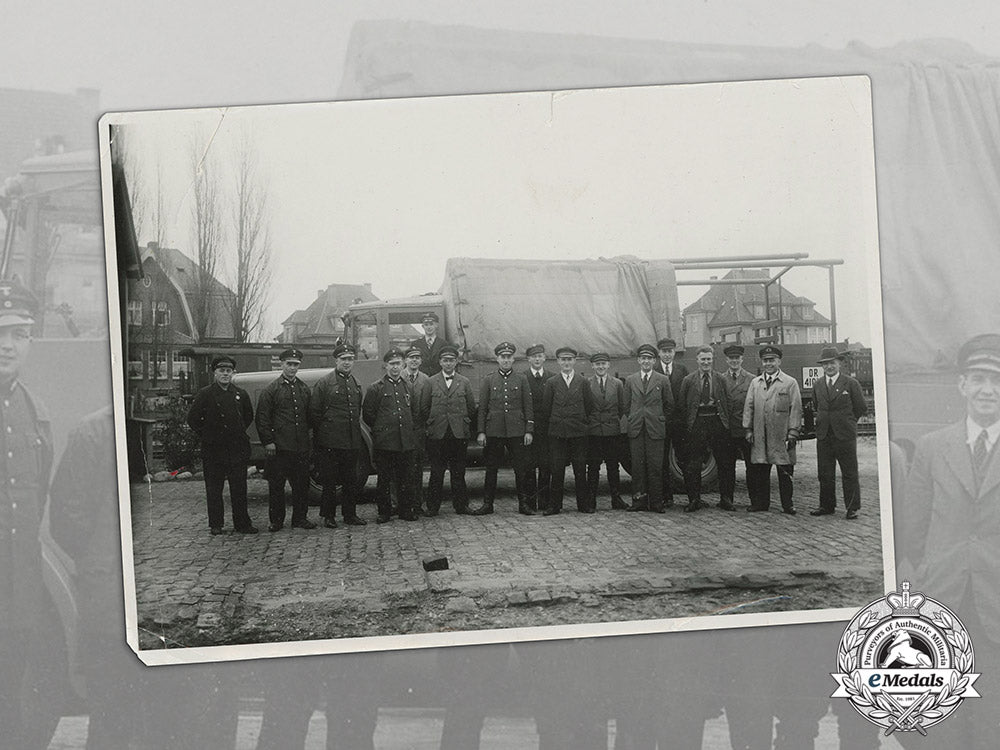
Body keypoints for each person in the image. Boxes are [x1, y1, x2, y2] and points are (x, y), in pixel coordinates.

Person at [899, 333, 1000, 749]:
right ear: (961, 384)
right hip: (945, 604)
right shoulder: (931, 447)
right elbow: (914, 530)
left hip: (996, 606)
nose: (987, 390)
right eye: (978, 378)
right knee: (943, 726)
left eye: (996, 380)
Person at [0, 280, 56, 747]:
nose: (7, 345)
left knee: (13, 696)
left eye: (19, 334)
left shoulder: (32, 411)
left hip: (17, 589)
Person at [187, 354, 258, 534]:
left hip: (236, 449)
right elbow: (193, 419)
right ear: (215, 373)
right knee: (214, 488)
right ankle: (216, 524)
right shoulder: (205, 394)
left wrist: (235, 433)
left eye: (229, 371)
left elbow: (247, 417)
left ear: (233, 373)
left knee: (239, 488)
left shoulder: (240, 394)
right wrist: (208, 435)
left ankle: (242, 523)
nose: (225, 374)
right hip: (214, 450)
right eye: (222, 371)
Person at [255, 347, 316, 532]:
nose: (292, 368)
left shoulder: (304, 389)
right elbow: (262, 418)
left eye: (295, 365)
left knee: (301, 486)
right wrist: (268, 442)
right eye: (289, 364)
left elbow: (309, 417)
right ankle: (276, 521)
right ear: (282, 365)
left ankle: (300, 518)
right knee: (277, 486)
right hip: (279, 448)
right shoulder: (271, 390)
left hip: (300, 447)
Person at [310, 343, 367, 528]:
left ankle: (350, 515)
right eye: (343, 359)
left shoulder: (355, 383)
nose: (347, 362)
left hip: (351, 441)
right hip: (330, 441)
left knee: (350, 480)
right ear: (336, 360)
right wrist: (324, 437)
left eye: (350, 359)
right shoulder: (325, 383)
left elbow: (357, 410)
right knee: (330, 481)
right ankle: (328, 516)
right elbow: (315, 412)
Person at [742, 345, 802, 515]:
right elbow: (749, 406)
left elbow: (796, 409)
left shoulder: (790, 383)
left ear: (779, 361)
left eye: (772, 360)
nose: (768, 364)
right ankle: (761, 503)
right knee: (760, 470)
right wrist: (748, 430)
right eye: (765, 361)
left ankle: (787, 504)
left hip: (781, 434)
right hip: (760, 434)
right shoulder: (755, 383)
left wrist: (793, 432)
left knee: (784, 470)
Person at [476, 342, 534, 515]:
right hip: (494, 430)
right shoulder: (488, 379)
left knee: (520, 469)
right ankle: (488, 505)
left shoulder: (522, 379)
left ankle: (523, 504)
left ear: (513, 359)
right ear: (497, 359)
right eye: (503, 357)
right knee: (491, 468)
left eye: (509, 357)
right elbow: (483, 408)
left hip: (517, 430)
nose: (506, 360)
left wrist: (529, 430)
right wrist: (481, 431)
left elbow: (528, 405)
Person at [363, 347, 420, 523]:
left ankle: (405, 510)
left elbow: (414, 412)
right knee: (385, 479)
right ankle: (384, 512)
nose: (395, 367)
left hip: (405, 441)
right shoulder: (376, 388)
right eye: (392, 364)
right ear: (385, 366)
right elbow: (368, 415)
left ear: (403, 365)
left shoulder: (408, 386)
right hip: (386, 442)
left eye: (398, 364)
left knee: (406, 478)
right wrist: (383, 430)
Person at [809, 347, 867, 519]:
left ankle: (852, 507)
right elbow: (816, 405)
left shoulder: (850, 383)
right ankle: (826, 506)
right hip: (824, 435)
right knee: (825, 472)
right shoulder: (818, 384)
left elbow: (860, 408)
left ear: (839, 363)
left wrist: (847, 423)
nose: (829, 367)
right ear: (822, 367)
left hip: (844, 436)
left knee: (849, 472)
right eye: (825, 364)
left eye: (832, 363)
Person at [420, 345, 477, 515]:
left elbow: (471, 407)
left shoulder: (464, 382)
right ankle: (433, 507)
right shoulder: (431, 382)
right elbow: (424, 407)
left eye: (451, 360)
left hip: (458, 433)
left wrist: (463, 425)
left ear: (456, 362)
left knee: (458, 472)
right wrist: (432, 425)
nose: (448, 363)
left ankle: (461, 505)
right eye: (445, 360)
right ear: (440, 362)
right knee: (436, 472)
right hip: (438, 434)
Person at [678, 346, 735, 512]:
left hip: (717, 422)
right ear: (697, 360)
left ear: (713, 360)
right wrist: (689, 425)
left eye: (709, 359)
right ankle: (694, 499)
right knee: (693, 464)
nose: (706, 362)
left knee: (725, 462)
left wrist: (724, 421)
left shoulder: (721, 379)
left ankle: (726, 499)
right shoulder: (688, 380)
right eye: (703, 359)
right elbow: (682, 405)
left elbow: (729, 402)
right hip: (697, 423)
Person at [542, 346, 595, 514]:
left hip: (578, 432)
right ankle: (554, 505)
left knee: (580, 469)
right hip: (558, 433)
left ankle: (583, 505)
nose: (566, 363)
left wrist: (579, 422)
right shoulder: (551, 382)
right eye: (563, 360)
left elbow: (589, 406)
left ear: (574, 361)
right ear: (558, 362)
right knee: (557, 470)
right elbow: (546, 408)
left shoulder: (583, 382)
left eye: (569, 359)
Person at [623, 344, 674, 512]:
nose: (646, 361)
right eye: (643, 358)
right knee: (637, 467)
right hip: (637, 428)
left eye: (649, 359)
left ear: (654, 360)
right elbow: (625, 404)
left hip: (655, 429)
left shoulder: (662, 379)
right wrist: (634, 417)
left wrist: (659, 419)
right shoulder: (631, 380)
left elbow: (669, 405)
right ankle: (638, 502)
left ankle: (656, 503)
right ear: (638, 360)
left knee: (655, 467)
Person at [586, 352, 628, 510]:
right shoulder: (587, 383)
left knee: (613, 466)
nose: (601, 367)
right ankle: (591, 501)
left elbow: (622, 407)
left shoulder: (617, 384)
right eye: (597, 364)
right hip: (594, 430)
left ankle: (616, 499)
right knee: (593, 466)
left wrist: (612, 420)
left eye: (603, 364)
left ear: (608, 365)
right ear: (593, 366)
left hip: (611, 430)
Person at [720, 344, 756, 509]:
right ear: (726, 360)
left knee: (751, 466)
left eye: (737, 358)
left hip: (745, 428)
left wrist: (751, 428)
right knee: (727, 466)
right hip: (728, 430)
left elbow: (755, 404)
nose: (734, 361)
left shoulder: (751, 379)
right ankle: (727, 499)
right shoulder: (720, 379)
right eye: (731, 358)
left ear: (742, 359)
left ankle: (755, 500)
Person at [656, 337, 688, 506]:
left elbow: (687, 395)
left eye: (670, 351)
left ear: (674, 352)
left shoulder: (682, 370)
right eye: (664, 351)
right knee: (662, 461)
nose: (667, 355)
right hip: (660, 422)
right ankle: (666, 496)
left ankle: (692, 497)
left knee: (683, 458)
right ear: (659, 353)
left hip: (678, 423)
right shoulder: (653, 370)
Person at [523, 343, 553, 512]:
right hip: (529, 429)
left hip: (546, 429)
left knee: (545, 465)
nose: (537, 359)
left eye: (540, 356)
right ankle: (530, 502)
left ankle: (544, 501)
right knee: (529, 466)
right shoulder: (523, 377)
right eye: (534, 356)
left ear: (544, 358)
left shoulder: (552, 377)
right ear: (528, 359)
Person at [403, 345, 431, 514]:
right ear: (405, 360)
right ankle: (398, 503)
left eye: (417, 358)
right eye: (411, 357)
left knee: (418, 467)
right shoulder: (398, 376)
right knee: (400, 468)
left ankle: (417, 503)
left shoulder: (426, 380)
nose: (414, 361)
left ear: (421, 361)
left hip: (419, 429)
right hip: (402, 430)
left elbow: (428, 406)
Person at [410, 311, 449, 376]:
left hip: (438, 379)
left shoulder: (444, 344)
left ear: (436, 325)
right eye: (426, 325)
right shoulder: (416, 344)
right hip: (421, 379)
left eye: (431, 324)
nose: (429, 327)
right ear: (423, 326)